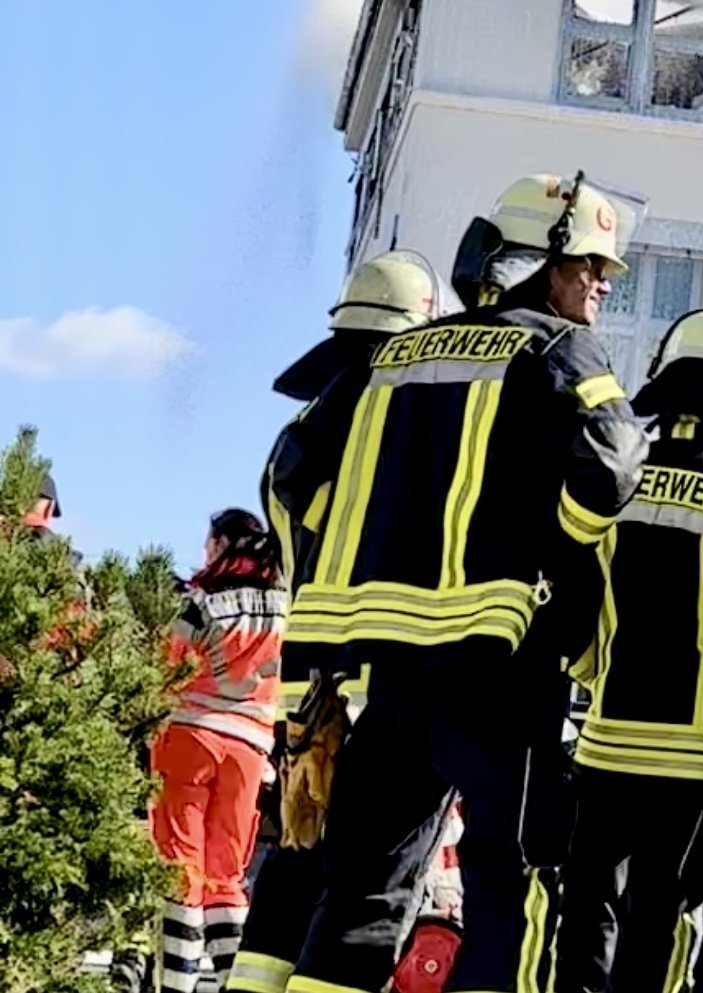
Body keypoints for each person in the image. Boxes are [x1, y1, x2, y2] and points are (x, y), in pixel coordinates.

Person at [268, 171, 650, 993]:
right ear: (538, 262)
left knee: (361, 893)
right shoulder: (558, 347)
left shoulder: (396, 354)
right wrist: (555, 555)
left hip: (392, 675)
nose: (601, 286)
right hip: (497, 669)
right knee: (505, 888)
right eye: (589, 267)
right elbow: (615, 463)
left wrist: (355, 570)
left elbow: (296, 473)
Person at [227, 250, 461, 993]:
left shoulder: (299, 437)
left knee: (296, 872)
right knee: (369, 892)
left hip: (308, 689)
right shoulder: (406, 425)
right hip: (383, 684)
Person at [555, 308, 703, 993]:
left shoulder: (621, 479)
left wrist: (594, 676)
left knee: (585, 911)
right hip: (700, 757)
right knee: (664, 917)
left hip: (606, 745)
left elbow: (574, 609)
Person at [153, 510, 288, 993]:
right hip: (251, 748)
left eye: (209, 544)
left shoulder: (202, 601)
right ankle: (236, 982)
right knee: (227, 876)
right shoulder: (286, 606)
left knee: (182, 867)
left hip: (191, 737)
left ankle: (177, 985)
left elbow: (165, 667)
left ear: (223, 545)